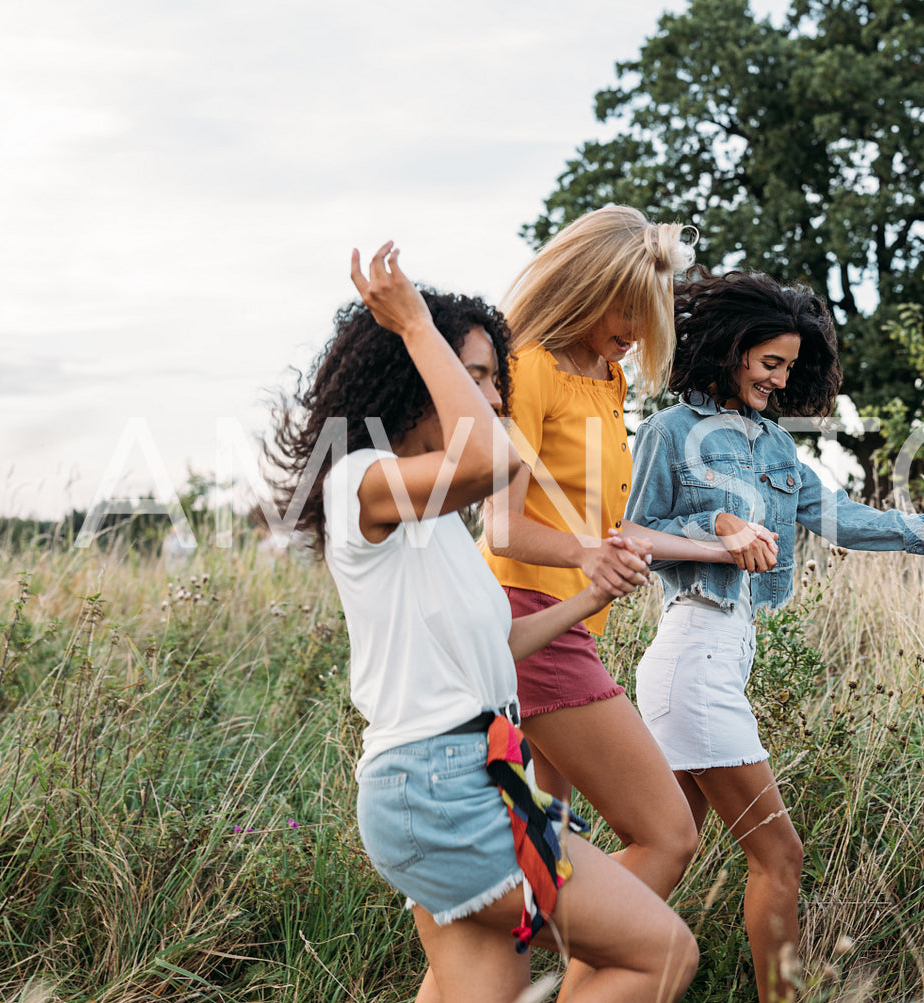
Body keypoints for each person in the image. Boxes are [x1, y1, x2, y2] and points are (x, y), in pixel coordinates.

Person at [269, 241, 698, 1002]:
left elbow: (498, 650)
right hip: (438, 786)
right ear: (412, 378)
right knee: (661, 953)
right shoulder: (358, 483)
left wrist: (583, 601)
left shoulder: (438, 527)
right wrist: (414, 327)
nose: (495, 400)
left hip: (483, 776)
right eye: (477, 379)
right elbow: (492, 459)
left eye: (495, 383)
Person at [624, 270, 924, 1002]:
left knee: (664, 852)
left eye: (789, 366)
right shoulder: (669, 432)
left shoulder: (776, 451)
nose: (779, 380)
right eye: (768, 363)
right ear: (729, 350)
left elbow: (843, 515)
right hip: (691, 653)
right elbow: (632, 534)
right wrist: (717, 528)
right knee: (779, 853)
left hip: (723, 658)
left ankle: (541, 946)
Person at [478, 207, 758, 932]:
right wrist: (585, 555)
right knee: (667, 833)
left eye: (648, 313)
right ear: (585, 284)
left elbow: (607, 527)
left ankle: (496, 967)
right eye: (626, 308)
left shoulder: (603, 379)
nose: (636, 330)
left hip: (568, 625)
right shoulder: (529, 366)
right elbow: (503, 525)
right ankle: (583, 970)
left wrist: (711, 548)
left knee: (545, 853)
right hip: (528, 624)